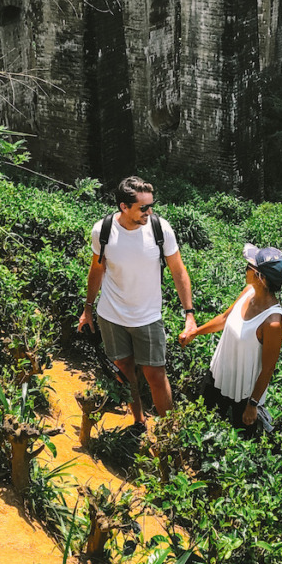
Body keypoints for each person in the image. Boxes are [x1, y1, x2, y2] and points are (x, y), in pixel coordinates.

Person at [78, 176, 197, 426]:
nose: (149, 211)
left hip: (148, 317)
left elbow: (178, 271)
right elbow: (97, 270)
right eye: (143, 207)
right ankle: (139, 421)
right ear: (124, 206)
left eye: (151, 205)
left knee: (156, 374)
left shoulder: (159, 228)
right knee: (125, 369)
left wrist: (189, 313)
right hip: (111, 315)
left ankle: (169, 434)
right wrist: (87, 309)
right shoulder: (103, 230)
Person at [179, 243, 282, 435]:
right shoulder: (248, 291)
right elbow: (225, 319)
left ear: (260, 277)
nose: (245, 269)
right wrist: (195, 332)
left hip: (243, 394)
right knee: (197, 427)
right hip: (217, 375)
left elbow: (268, 368)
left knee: (237, 443)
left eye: (249, 267)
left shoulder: (272, 322)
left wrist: (252, 404)